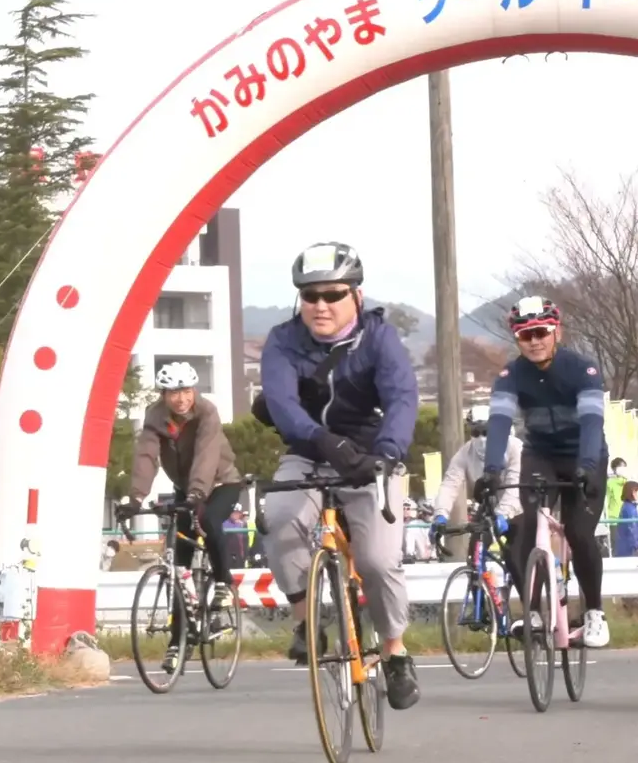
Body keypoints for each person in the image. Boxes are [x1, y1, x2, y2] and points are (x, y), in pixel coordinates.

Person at [255, 242, 420, 710]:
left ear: (357, 297)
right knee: (280, 516)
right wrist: (322, 440)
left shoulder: (379, 337)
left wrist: (387, 452)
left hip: (370, 456)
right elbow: (282, 404)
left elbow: (402, 397)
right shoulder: (283, 339)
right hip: (308, 449)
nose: (320, 305)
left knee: (377, 559)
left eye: (332, 294)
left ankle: (394, 650)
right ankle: (307, 621)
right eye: (310, 296)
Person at [479, 295, 610, 648]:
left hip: (585, 455)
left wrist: (585, 466)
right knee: (522, 529)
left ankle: (595, 614)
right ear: (517, 339)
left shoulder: (583, 370)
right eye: (525, 335)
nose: (534, 341)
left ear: (556, 332)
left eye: (540, 332)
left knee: (580, 534)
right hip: (540, 456)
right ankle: (534, 611)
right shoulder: (511, 376)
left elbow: (592, 423)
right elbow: (499, 423)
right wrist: (491, 470)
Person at [119, 360, 247, 674]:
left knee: (210, 521)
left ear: (194, 390)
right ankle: (178, 642)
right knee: (178, 566)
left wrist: (197, 494)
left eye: (186, 390)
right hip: (185, 488)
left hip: (220, 482)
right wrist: (135, 498)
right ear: (164, 394)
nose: (181, 398)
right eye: (174, 392)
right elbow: (146, 457)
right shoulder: (156, 417)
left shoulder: (206, 412)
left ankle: (222, 583)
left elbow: (206, 454)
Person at [429, 407, 523, 593]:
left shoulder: (514, 447)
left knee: (515, 559)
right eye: (475, 432)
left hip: (519, 507)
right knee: (474, 554)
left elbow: (515, 484)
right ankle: (483, 609)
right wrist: (440, 515)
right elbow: (450, 484)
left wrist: (503, 514)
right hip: (489, 505)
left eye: (486, 432)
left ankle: (530, 610)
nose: (480, 438)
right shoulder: (465, 452)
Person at [605, 457, 628, 554]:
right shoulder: (609, 483)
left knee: (627, 543)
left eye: (624, 467)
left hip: (626, 518)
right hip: (613, 519)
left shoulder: (628, 483)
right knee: (615, 545)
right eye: (620, 466)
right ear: (614, 469)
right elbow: (606, 501)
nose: (623, 469)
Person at [615, 481, 638, 558]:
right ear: (631, 492)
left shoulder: (627, 506)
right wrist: (637, 546)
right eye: (636, 491)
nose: (637, 494)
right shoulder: (630, 509)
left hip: (625, 546)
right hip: (630, 549)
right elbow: (632, 529)